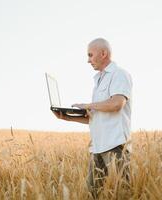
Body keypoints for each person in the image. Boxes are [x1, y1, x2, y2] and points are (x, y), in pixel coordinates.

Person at [53, 38, 132, 198]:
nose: (88, 60)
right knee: (92, 194)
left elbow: (117, 104)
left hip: (115, 146)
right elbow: (96, 117)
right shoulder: (98, 80)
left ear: (103, 53)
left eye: (90, 55)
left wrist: (88, 105)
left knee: (123, 193)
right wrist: (67, 118)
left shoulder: (119, 74)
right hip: (97, 148)